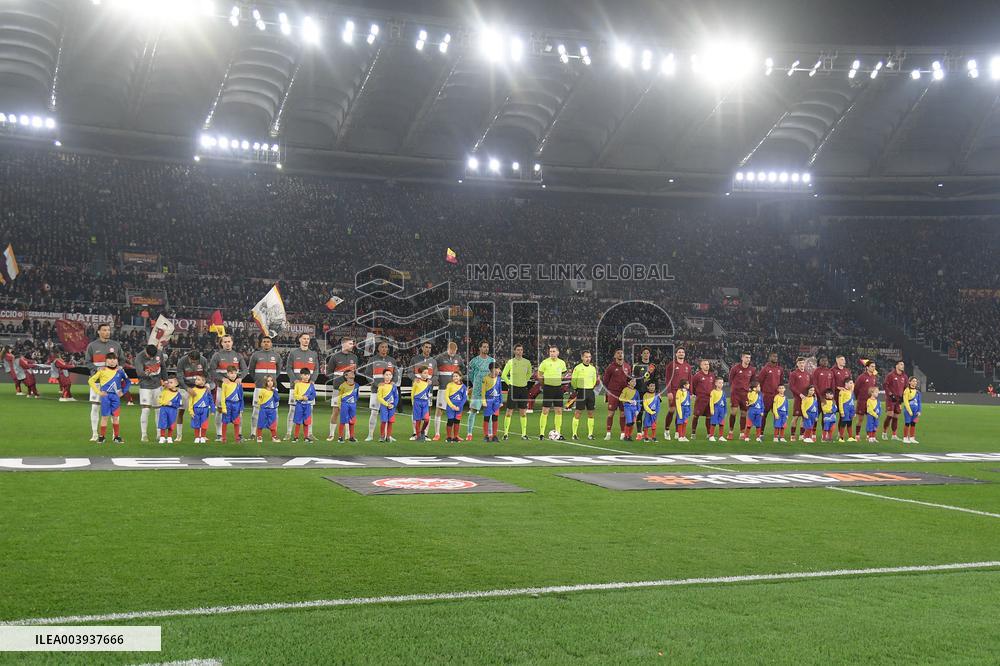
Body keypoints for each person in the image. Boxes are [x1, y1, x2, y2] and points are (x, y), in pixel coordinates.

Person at [85, 323, 123, 441]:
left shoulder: (116, 345)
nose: (107, 332)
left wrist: (119, 368)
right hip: (97, 382)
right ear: (99, 332)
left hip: (112, 383)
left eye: (108, 330)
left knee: (114, 409)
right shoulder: (92, 346)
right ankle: (95, 434)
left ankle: (114, 435)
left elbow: (122, 360)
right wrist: (97, 369)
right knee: (95, 407)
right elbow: (87, 362)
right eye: (105, 330)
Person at [210, 334, 246, 442]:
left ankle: (239, 434)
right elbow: (211, 370)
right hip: (222, 387)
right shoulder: (217, 355)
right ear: (221, 343)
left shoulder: (238, 356)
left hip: (235, 389)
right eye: (224, 341)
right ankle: (219, 434)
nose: (227, 343)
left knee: (238, 411)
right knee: (220, 410)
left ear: (232, 342)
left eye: (229, 341)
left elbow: (245, 370)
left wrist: (240, 378)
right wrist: (221, 378)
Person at [87, 352, 129, 444]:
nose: (112, 361)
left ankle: (116, 437)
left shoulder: (120, 371)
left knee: (115, 417)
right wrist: (99, 392)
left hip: (116, 397)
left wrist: (123, 391)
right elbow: (91, 380)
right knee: (104, 417)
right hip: (105, 397)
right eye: (110, 359)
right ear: (106, 361)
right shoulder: (102, 370)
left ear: (117, 361)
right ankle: (102, 437)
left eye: (114, 359)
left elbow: (128, 381)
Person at [285, 333, 320, 440]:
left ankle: (309, 434)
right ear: (300, 340)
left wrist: (313, 380)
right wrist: (294, 380)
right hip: (295, 387)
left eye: (308, 339)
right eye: (304, 339)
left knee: (310, 410)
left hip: (309, 388)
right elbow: (288, 368)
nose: (306, 340)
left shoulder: (313, 354)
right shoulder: (293, 353)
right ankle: (288, 433)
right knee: (292, 410)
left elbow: (316, 369)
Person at [363, 341, 399, 441]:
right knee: (374, 412)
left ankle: (388, 435)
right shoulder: (372, 359)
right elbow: (367, 375)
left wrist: (394, 382)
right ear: (378, 349)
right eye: (382, 347)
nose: (384, 349)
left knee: (389, 413)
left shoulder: (392, 361)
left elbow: (396, 374)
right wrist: (376, 384)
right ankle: (370, 435)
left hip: (389, 393)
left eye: (386, 347)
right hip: (376, 391)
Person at [327, 336, 359, 440]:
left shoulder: (354, 357)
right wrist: (337, 380)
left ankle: (348, 435)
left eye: (352, 343)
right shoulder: (335, 357)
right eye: (350, 343)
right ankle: (331, 434)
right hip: (338, 389)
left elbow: (354, 373)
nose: (352, 345)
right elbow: (328, 373)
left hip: (350, 390)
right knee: (336, 411)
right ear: (343, 344)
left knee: (349, 412)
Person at [176, 349, 210, 443]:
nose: (194, 363)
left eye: (196, 362)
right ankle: (179, 435)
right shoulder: (182, 361)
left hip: (199, 389)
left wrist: (206, 384)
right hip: (185, 388)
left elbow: (207, 374)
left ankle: (202, 435)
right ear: (189, 357)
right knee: (181, 411)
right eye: (192, 361)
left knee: (203, 411)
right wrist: (187, 388)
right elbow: (179, 377)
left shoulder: (203, 360)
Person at [134, 343, 166, 442]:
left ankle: (159, 434)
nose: (151, 358)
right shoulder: (139, 357)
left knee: (158, 410)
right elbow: (139, 373)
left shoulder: (159, 354)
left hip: (157, 386)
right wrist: (149, 372)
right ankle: (144, 435)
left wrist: (165, 379)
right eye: (149, 356)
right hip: (145, 386)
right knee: (146, 410)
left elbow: (163, 367)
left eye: (153, 356)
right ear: (145, 351)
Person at [500, 343, 533, 440]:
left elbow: (529, 374)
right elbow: (503, 375)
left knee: (523, 412)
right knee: (509, 411)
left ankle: (524, 434)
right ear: (514, 351)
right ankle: (505, 434)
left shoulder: (527, 362)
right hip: (513, 388)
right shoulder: (510, 362)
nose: (519, 351)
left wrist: (525, 381)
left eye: (521, 350)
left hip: (523, 389)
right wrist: (509, 383)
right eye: (518, 350)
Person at [248, 336, 280, 430]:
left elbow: (278, 371)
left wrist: (272, 382)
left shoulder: (276, 356)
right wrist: (257, 380)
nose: (266, 343)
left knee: (275, 410)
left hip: (272, 389)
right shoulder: (256, 355)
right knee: (256, 410)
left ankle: (274, 432)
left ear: (271, 343)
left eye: (268, 342)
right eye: (264, 341)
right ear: (261, 343)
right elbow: (251, 370)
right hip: (259, 388)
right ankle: (253, 432)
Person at [433, 341, 463, 441]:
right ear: (448, 348)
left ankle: (455, 435)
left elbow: (462, 369)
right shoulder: (440, 357)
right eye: (451, 350)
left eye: (454, 351)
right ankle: (437, 434)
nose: (452, 353)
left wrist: (460, 380)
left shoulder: (458, 358)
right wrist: (435, 378)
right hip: (443, 388)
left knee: (455, 412)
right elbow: (432, 367)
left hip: (456, 390)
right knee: (439, 410)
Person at [537, 345, 568, 440]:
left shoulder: (562, 363)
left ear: (558, 353)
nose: (552, 353)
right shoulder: (545, 362)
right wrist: (544, 384)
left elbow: (564, 373)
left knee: (559, 411)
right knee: (545, 410)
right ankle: (541, 434)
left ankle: (558, 433)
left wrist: (559, 379)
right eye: (550, 351)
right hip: (548, 388)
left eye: (554, 351)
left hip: (558, 389)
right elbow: (539, 374)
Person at [465, 340, 494, 441]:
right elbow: (471, 375)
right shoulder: (474, 361)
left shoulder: (492, 361)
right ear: (480, 348)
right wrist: (475, 384)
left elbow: (494, 375)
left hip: (488, 391)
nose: (486, 348)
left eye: (487, 347)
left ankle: (489, 433)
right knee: (473, 411)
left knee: (489, 413)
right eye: (484, 347)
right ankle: (469, 433)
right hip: (477, 391)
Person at [407, 341, 437, 438]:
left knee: (428, 410)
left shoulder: (433, 361)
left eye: (430, 347)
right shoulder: (415, 359)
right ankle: (415, 433)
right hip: (417, 391)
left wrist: (431, 381)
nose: (428, 349)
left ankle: (425, 434)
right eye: (426, 347)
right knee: (415, 412)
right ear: (422, 348)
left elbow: (436, 375)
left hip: (428, 391)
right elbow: (409, 372)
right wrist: (414, 378)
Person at [601, 349, 632, 440]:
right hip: (613, 393)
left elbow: (629, 380)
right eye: (618, 353)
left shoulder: (627, 366)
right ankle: (608, 433)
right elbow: (605, 381)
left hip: (624, 394)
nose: (620, 355)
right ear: (615, 356)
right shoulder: (610, 367)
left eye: (621, 353)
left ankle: (622, 433)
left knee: (623, 414)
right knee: (610, 414)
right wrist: (606, 393)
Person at [662, 347, 692, 441]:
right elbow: (667, 379)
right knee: (672, 410)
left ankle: (677, 432)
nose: (681, 353)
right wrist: (669, 391)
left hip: (684, 392)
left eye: (683, 352)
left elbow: (689, 380)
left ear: (685, 354)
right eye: (679, 352)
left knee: (681, 412)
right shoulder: (672, 365)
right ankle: (666, 430)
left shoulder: (688, 366)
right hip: (674, 390)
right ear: (676, 354)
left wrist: (690, 392)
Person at [726, 352, 755, 439]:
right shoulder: (735, 368)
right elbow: (730, 380)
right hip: (735, 394)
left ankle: (742, 433)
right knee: (733, 412)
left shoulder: (752, 370)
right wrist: (734, 389)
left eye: (749, 358)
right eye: (746, 357)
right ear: (742, 358)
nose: (748, 359)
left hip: (745, 395)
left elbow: (752, 381)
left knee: (744, 413)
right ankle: (730, 432)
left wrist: (749, 391)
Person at [570, 350, 598, 440]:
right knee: (578, 412)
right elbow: (573, 380)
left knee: (591, 413)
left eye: (589, 357)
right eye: (586, 357)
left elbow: (594, 380)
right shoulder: (577, 368)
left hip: (590, 392)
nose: (588, 359)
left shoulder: (593, 368)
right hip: (581, 391)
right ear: (582, 357)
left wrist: (591, 387)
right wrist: (576, 388)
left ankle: (590, 434)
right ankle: (574, 434)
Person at [756, 351, 784, 434]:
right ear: (770, 358)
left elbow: (781, 382)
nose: (775, 358)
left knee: (777, 414)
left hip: (776, 396)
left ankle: (777, 434)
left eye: (776, 357)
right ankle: (760, 432)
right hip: (767, 395)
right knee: (764, 414)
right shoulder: (765, 369)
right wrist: (760, 393)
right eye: (773, 356)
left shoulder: (780, 369)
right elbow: (759, 381)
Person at [881, 360, 908, 441]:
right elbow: (885, 385)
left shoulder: (904, 376)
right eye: (901, 364)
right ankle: (884, 433)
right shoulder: (891, 375)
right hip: (891, 399)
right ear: (896, 366)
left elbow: (906, 388)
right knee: (890, 415)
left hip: (898, 399)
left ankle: (894, 435)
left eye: (903, 364)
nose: (902, 366)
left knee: (896, 417)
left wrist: (903, 397)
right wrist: (890, 394)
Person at [690, 359, 715, 440]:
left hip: (710, 399)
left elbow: (713, 387)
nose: (707, 365)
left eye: (707, 364)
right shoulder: (697, 376)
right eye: (704, 364)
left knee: (709, 417)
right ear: (701, 366)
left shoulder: (712, 375)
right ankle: (693, 433)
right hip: (700, 399)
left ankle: (709, 433)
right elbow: (692, 386)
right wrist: (694, 394)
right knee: (696, 416)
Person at [219, 365, 245, 443]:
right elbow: (223, 396)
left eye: (234, 373)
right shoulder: (225, 383)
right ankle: (223, 438)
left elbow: (241, 397)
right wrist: (223, 407)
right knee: (225, 421)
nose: (233, 375)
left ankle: (237, 438)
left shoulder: (239, 383)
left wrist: (241, 408)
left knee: (236, 421)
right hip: (228, 405)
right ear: (227, 374)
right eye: (231, 373)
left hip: (236, 405)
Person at [188, 373, 215, 444]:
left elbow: (211, 400)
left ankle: (203, 437)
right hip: (196, 409)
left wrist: (212, 409)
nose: (196, 381)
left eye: (198, 379)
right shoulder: (193, 390)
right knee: (196, 424)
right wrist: (191, 411)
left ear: (203, 382)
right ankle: (197, 437)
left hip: (205, 410)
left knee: (204, 424)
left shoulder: (207, 390)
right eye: (196, 379)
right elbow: (190, 402)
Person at [790, 357, 813, 441]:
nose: (801, 364)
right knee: (796, 417)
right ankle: (792, 435)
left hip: (806, 400)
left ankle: (801, 435)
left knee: (804, 417)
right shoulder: (794, 374)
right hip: (798, 399)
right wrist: (799, 394)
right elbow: (791, 386)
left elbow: (810, 386)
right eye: (800, 363)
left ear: (805, 363)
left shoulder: (807, 374)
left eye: (803, 363)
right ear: (797, 364)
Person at [854, 361, 879, 439]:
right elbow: (856, 389)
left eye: (874, 366)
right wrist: (859, 398)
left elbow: (874, 389)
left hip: (871, 402)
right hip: (862, 401)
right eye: (872, 366)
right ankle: (857, 434)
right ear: (867, 367)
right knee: (860, 419)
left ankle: (869, 435)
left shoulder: (874, 377)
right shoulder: (861, 377)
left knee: (870, 419)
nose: (873, 368)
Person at [292, 367, 317, 442]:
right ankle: (296, 437)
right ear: (301, 375)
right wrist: (302, 397)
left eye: (308, 375)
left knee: (306, 421)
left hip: (307, 406)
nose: (307, 376)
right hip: (299, 405)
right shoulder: (297, 384)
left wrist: (308, 398)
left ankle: (306, 437)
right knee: (298, 421)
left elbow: (313, 395)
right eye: (305, 375)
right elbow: (295, 395)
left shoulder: (311, 385)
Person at [376, 368, 400, 442]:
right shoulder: (381, 386)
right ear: (383, 376)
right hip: (384, 406)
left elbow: (396, 397)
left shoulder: (394, 386)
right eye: (386, 375)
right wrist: (386, 404)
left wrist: (394, 405)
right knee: (384, 421)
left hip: (392, 407)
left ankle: (388, 436)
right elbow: (379, 397)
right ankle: (382, 436)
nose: (388, 376)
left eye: (390, 375)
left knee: (390, 421)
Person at [255, 375, 281, 443]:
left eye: (271, 380)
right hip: (264, 409)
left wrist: (275, 392)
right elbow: (260, 400)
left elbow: (277, 399)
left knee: (272, 423)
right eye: (268, 381)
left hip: (272, 410)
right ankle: (259, 436)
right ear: (265, 382)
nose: (270, 382)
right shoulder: (262, 390)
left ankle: (274, 437)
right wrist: (260, 406)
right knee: (261, 422)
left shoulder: (274, 391)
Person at [411, 366, 434, 441]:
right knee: (418, 420)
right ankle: (418, 436)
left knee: (427, 419)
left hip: (425, 403)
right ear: (420, 374)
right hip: (417, 402)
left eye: (427, 373)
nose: (427, 374)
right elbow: (412, 393)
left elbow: (429, 393)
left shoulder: (429, 382)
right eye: (425, 373)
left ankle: (422, 431)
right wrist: (413, 403)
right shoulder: (416, 382)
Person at [336, 370, 360, 442]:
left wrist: (354, 403)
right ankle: (340, 437)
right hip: (344, 405)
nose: (352, 373)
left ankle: (351, 437)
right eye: (349, 373)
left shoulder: (357, 385)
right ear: (346, 376)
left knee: (352, 421)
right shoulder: (342, 385)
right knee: (343, 421)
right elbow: (339, 396)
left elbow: (357, 396)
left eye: (353, 373)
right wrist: (340, 405)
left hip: (353, 405)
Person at [157, 376, 183, 443]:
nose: (169, 384)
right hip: (163, 409)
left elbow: (179, 404)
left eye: (171, 382)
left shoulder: (178, 394)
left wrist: (171, 404)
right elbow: (159, 400)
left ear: (176, 384)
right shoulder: (164, 391)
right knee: (163, 423)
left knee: (171, 424)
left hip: (172, 410)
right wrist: (165, 403)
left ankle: (169, 437)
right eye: (168, 382)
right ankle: (162, 437)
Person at [444, 371, 468, 443]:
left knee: (457, 421)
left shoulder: (464, 387)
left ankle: (456, 436)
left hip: (459, 408)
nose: (455, 377)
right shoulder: (449, 385)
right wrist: (452, 406)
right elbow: (446, 397)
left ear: (460, 377)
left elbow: (464, 398)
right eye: (454, 376)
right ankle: (448, 437)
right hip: (450, 407)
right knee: (450, 421)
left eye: (456, 376)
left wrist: (459, 407)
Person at [482, 362, 503, 442]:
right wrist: (484, 401)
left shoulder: (498, 378)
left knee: (495, 418)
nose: (499, 370)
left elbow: (500, 390)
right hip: (488, 401)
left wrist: (501, 401)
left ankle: (494, 436)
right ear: (492, 369)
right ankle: (486, 436)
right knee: (486, 418)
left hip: (496, 402)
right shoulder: (485, 378)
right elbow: (483, 391)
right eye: (498, 369)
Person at [902, 377, 922, 444]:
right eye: (913, 381)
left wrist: (919, 411)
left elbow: (919, 402)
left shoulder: (917, 392)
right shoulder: (906, 390)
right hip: (908, 410)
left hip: (915, 411)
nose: (914, 383)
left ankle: (912, 438)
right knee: (907, 423)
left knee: (913, 424)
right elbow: (906, 401)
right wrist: (909, 410)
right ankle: (905, 438)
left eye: (915, 381)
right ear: (909, 382)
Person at [707, 377, 727, 441]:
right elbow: (711, 402)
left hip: (722, 409)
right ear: (716, 383)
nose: (721, 384)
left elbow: (725, 403)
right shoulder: (713, 392)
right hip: (716, 409)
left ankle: (721, 436)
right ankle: (711, 436)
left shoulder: (723, 392)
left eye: (722, 383)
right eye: (719, 383)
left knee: (722, 423)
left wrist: (725, 411)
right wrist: (712, 410)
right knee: (713, 422)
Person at [620, 376, 640, 441]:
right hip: (627, 407)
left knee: (633, 422)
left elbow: (638, 402)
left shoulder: (636, 391)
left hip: (634, 409)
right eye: (632, 381)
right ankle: (626, 436)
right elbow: (620, 398)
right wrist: (628, 400)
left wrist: (638, 410)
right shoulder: (625, 389)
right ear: (628, 382)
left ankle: (629, 436)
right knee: (629, 422)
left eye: (635, 381)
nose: (634, 383)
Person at [838, 378, 857, 442]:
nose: (852, 385)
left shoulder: (850, 391)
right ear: (846, 384)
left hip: (851, 409)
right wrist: (842, 411)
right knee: (843, 423)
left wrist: (854, 412)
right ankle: (841, 438)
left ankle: (850, 437)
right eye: (850, 383)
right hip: (845, 409)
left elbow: (852, 402)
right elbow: (840, 402)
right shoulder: (842, 392)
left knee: (850, 423)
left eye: (852, 383)